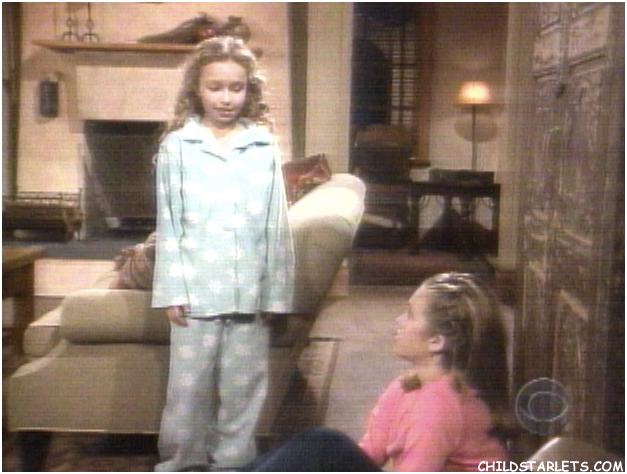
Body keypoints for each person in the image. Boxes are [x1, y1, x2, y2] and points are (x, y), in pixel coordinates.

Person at [151, 36, 294, 472]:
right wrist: (172, 291)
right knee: (188, 390)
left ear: (249, 90)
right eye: (215, 87)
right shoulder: (178, 147)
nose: (226, 98)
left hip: (250, 291)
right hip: (196, 293)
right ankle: (182, 462)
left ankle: (233, 462)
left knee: (244, 387)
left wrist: (276, 293)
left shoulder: (263, 146)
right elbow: (169, 223)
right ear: (197, 89)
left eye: (236, 87)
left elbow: (276, 224)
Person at [249, 272, 511, 471]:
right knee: (317, 449)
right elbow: (367, 455)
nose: (398, 321)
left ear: (436, 341)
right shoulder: (406, 387)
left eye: (410, 315)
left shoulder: (438, 408)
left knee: (325, 443)